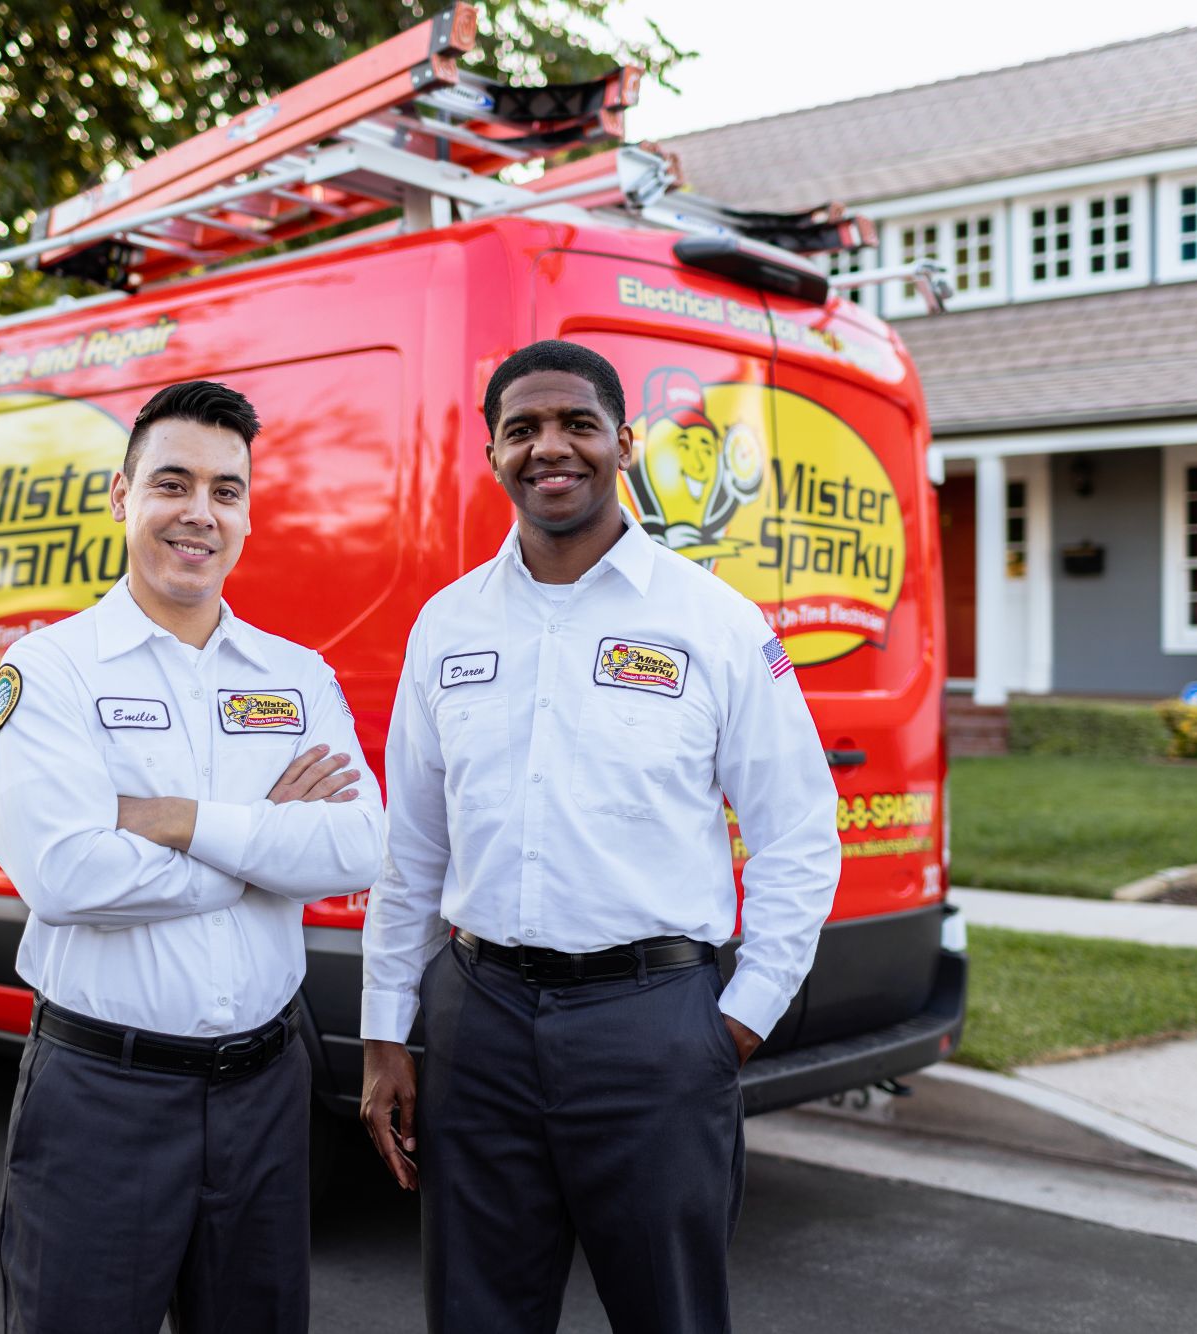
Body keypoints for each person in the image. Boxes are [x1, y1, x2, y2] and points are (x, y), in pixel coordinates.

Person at [358, 341, 841, 1334]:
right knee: (475, 1313)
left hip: (653, 1022)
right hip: (477, 1017)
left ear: (623, 441)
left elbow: (797, 831)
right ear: (490, 453)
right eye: (521, 429)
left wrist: (738, 1018)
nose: (550, 447)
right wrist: (383, 1028)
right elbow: (411, 846)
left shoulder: (710, 620)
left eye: (575, 423)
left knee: (667, 1313)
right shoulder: (445, 625)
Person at [0, 380, 383, 1334]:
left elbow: (359, 844)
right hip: (101, 1098)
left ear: (248, 512)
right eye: (173, 483)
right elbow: (65, 875)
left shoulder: (298, 676)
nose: (199, 513)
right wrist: (261, 843)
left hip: (265, 1092)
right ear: (123, 497)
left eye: (226, 490)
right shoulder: (50, 670)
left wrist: (173, 818)